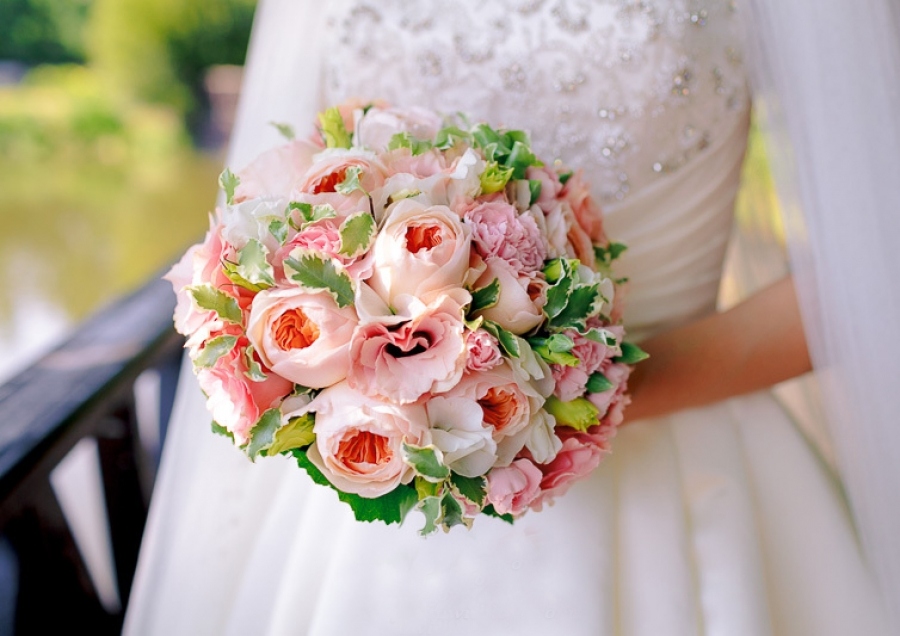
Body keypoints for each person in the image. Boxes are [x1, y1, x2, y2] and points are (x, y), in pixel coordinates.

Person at [124, 0, 900, 634]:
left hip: (685, 461)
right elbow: (279, 194)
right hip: (373, 494)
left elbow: (878, 267)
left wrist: (571, 395)